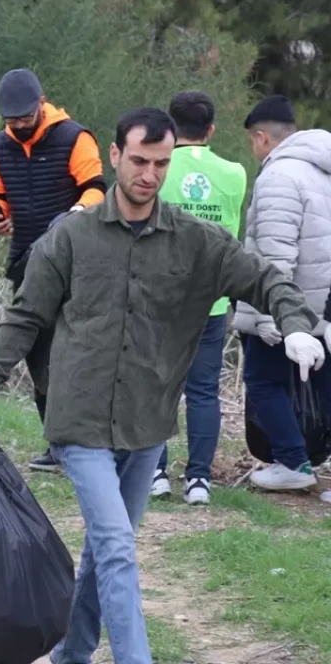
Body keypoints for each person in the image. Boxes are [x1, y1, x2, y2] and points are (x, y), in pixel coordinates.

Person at [0, 107, 323, 664]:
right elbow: (25, 317)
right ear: (114, 156)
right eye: (139, 161)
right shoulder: (70, 237)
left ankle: (70, 654)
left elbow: (265, 278)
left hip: (148, 420)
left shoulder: (196, 241)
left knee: (107, 549)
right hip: (79, 418)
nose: (149, 174)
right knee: (116, 547)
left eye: (160, 163)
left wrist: (295, 326)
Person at [0, 68, 106, 473]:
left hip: (76, 262)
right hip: (26, 261)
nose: (18, 125)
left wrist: (76, 212)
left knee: (78, 354)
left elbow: (97, 189)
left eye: (24, 116)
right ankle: (56, 447)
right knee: (37, 355)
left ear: (41, 103)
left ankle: (92, 444)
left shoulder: (75, 137)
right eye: (11, 119)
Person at [149, 91, 247, 505]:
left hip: (160, 296)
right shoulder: (236, 174)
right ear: (211, 129)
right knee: (204, 391)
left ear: (170, 128)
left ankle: (155, 473)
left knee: (156, 386)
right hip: (212, 300)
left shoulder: (156, 168)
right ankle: (199, 482)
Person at [235, 95, 331, 491]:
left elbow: (274, 256)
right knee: (325, 386)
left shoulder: (279, 176)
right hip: (324, 306)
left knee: (261, 380)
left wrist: (270, 316)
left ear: (261, 137)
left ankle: (293, 463)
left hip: (290, 307)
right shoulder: (323, 168)